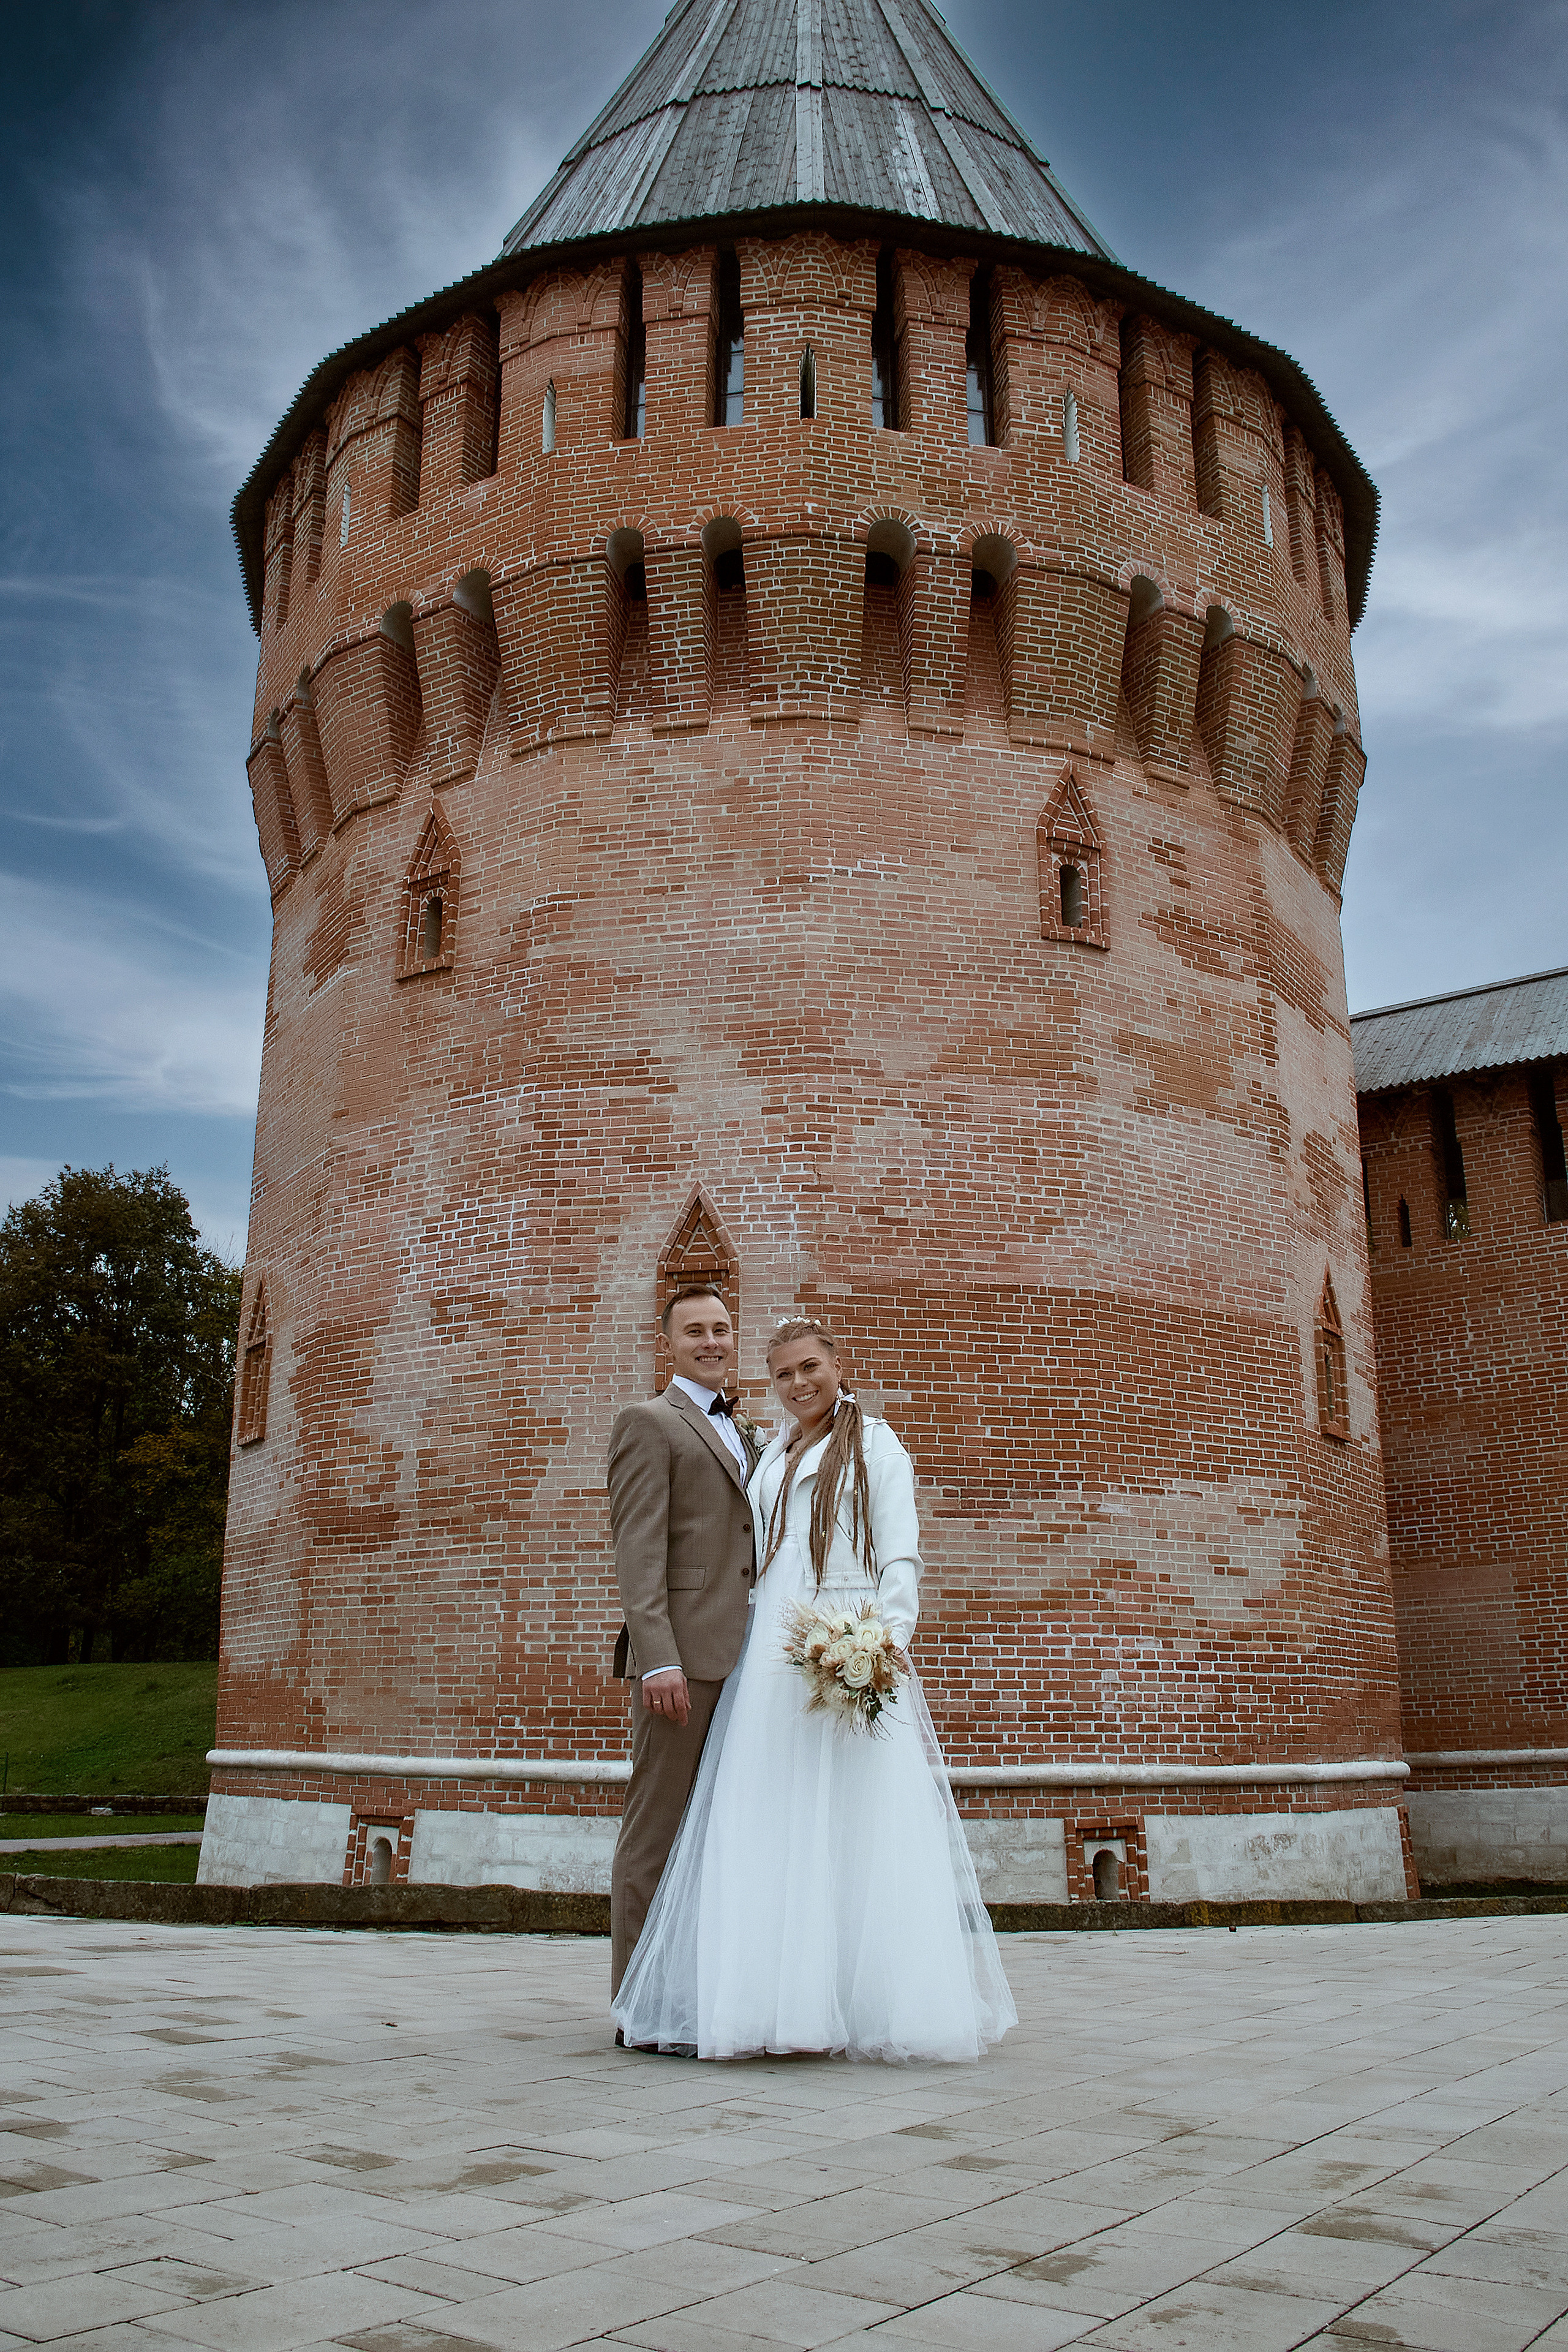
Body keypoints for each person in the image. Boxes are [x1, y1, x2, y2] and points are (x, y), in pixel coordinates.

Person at [613, 1319, 1016, 2063]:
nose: (798, 1384)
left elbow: (900, 1551)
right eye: (783, 1374)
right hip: (767, 1642)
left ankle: (852, 1999)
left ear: (838, 1366)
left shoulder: (875, 1444)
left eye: (810, 1369)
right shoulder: (774, 1447)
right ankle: (760, 1997)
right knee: (763, 1813)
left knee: (847, 1820)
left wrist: (884, 1644)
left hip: (838, 1629)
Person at [606, 1284, 760, 1999]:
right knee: (657, 1829)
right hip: (682, 1662)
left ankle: (703, 1991)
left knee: (722, 1828)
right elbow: (638, 1552)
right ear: (666, 1341)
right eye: (694, 1330)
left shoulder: (746, 1428)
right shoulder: (648, 1422)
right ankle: (639, 2001)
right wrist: (657, 1657)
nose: (711, 1341)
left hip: (748, 1655)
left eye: (721, 1329)